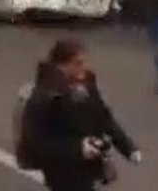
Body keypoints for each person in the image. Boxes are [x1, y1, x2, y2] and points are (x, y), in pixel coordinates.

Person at [19, 38, 141, 191]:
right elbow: (36, 141)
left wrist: (127, 147)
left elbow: (102, 116)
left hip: (89, 165)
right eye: (78, 63)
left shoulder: (86, 82)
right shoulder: (45, 95)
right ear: (62, 65)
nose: (84, 67)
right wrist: (78, 148)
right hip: (62, 170)